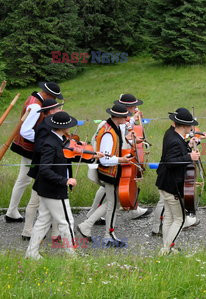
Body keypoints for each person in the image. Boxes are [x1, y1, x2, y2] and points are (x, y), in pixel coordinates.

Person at [25, 111, 102, 260]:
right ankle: (72, 255)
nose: (70, 128)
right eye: (68, 126)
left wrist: (92, 156)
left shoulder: (60, 140)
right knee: (66, 221)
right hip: (54, 189)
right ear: (62, 128)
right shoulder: (50, 144)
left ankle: (31, 253)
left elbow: (71, 154)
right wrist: (65, 181)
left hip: (47, 189)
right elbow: (44, 169)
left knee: (43, 221)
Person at [86, 94, 152, 226]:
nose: (135, 109)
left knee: (111, 190)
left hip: (115, 159)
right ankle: (92, 218)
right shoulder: (110, 127)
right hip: (110, 161)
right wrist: (121, 158)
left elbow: (124, 134)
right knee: (109, 192)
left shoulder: (120, 123)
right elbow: (113, 144)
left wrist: (132, 138)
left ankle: (130, 208)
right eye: (134, 107)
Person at [77, 104, 134, 247]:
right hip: (109, 172)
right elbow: (105, 159)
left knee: (112, 202)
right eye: (125, 116)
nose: (127, 118)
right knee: (112, 204)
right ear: (119, 117)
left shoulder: (112, 128)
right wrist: (121, 159)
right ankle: (108, 235)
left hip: (110, 171)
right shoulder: (109, 133)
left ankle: (87, 225)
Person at [6, 82, 63, 222]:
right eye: (54, 98)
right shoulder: (37, 105)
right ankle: (38, 215)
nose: (54, 101)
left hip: (27, 147)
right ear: (48, 95)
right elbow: (25, 131)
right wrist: (44, 141)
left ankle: (12, 211)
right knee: (40, 178)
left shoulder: (33, 99)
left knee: (23, 179)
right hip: (30, 149)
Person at [155, 108, 200, 255]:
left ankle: (167, 247)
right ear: (185, 126)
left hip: (164, 183)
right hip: (172, 185)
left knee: (169, 217)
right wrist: (190, 157)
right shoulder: (175, 140)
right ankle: (166, 249)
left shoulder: (172, 133)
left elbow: (176, 151)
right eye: (190, 126)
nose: (191, 128)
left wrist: (188, 145)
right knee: (180, 219)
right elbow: (170, 162)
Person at [21, 99, 63, 241]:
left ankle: (56, 233)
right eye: (57, 109)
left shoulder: (51, 124)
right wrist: (56, 149)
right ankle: (27, 230)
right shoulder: (44, 127)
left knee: (55, 199)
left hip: (51, 167)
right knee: (36, 201)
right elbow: (40, 148)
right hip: (43, 168)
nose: (59, 110)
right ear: (51, 111)